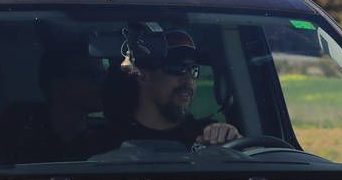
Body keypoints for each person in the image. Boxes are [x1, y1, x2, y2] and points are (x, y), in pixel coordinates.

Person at [95, 27, 240, 151]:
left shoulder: (211, 137)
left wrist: (233, 141)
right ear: (142, 76)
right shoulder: (105, 142)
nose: (188, 80)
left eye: (193, 70)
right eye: (177, 69)